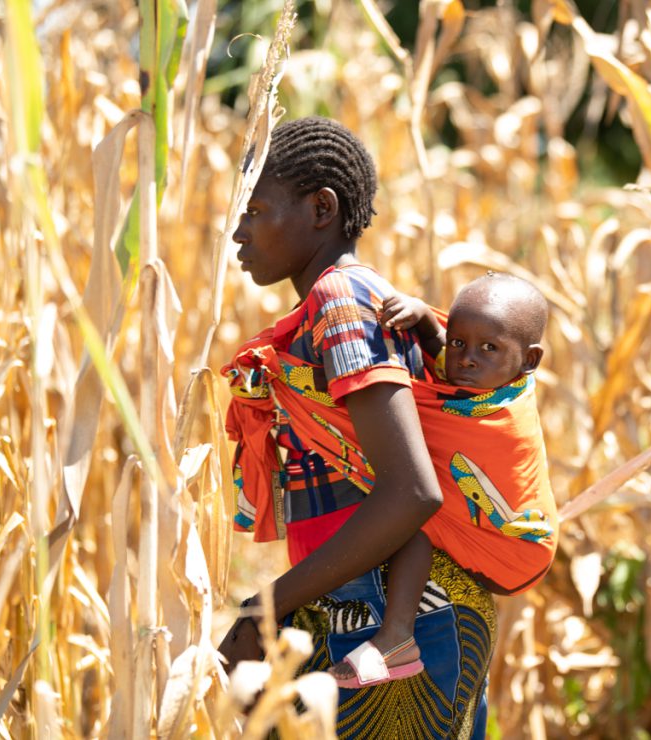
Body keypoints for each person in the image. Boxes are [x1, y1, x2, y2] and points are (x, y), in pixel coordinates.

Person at [217, 117, 496, 738]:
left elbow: (410, 492)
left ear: (322, 208)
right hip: (366, 606)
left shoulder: (341, 302)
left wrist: (263, 610)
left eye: (256, 209)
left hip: (398, 617)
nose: (238, 232)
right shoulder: (332, 303)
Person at [326, 272, 553, 688]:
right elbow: (446, 371)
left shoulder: (503, 419)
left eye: (489, 347)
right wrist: (430, 326)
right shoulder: (486, 385)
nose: (466, 358)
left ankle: (396, 638)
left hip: (516, 547)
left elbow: (423, 413)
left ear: (529, 360)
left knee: (410, 511)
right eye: (458, 342)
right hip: (493, 536)